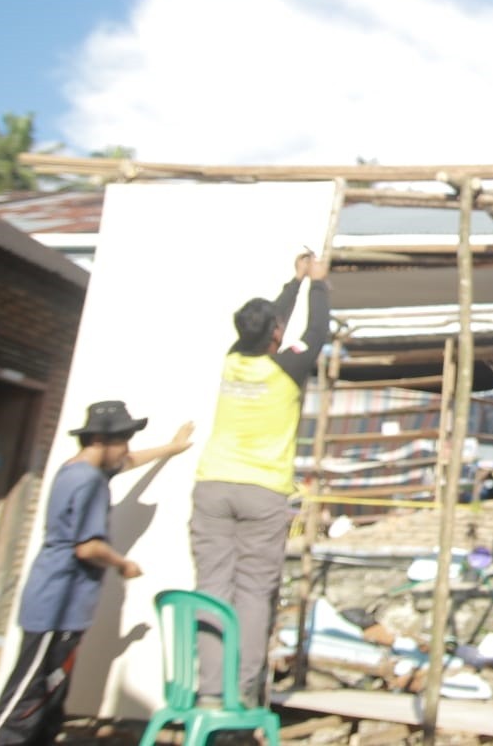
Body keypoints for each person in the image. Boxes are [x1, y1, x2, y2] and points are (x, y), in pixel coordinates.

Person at [0, 402, 192, 746]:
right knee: (28, 690)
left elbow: (128, 462)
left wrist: (172, 447)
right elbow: (88, 547)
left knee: (52, 690)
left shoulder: (78, 470)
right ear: (98, 440)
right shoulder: (89, 482)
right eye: (122, 440)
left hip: (65, 604)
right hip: (57, 602)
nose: (126, 448)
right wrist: (123, 564)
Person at [192, 251, 330, 706]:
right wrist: (318, 283)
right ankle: (243, 692)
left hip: (213, 485)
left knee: (213, 588)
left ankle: (210, 691)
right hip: (262, 490)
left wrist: (294, 282)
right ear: (276, 334)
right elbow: (316, 332)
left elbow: (269, 326)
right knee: (253, 593)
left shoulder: (233, 360)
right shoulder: (286, 368)